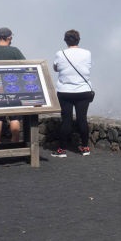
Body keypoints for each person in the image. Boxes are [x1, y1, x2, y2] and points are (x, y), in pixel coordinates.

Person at [51, 29, 94, 158]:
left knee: (66, 120)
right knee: (82, 119)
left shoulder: (60, 54)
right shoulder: (87, 53)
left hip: (65, 92)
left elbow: (56, 68)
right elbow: (89, 67)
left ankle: (62, 150)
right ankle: (85, 147)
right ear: (78, 40)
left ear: (65, 41)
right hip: (83, 91)